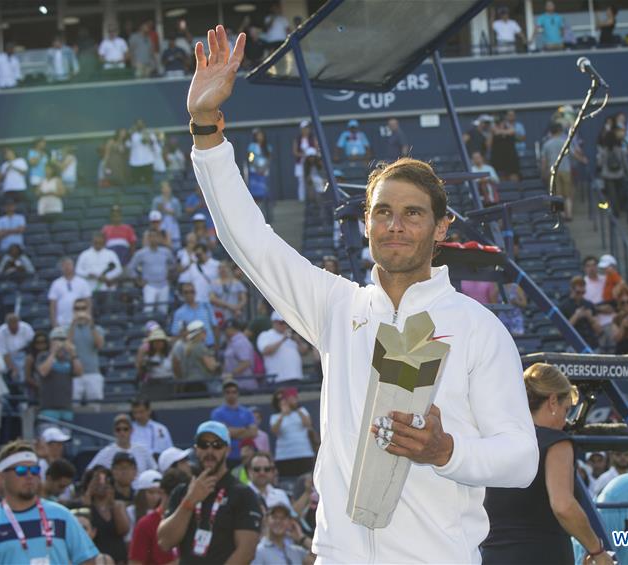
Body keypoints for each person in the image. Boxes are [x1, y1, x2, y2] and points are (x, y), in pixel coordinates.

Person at [183, 28, 538, 562]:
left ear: (441, 227)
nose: (395, 225)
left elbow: (521, 459)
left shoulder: (478, 328)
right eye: (382, 212)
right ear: (366, 223)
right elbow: (249, 240)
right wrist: (206, 129)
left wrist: (446, 450)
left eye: (413, 213)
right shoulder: (336, 306)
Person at [482, 364, 610, 565]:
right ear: (552, 401)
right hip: (543, 554)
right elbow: (563, 506)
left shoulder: (496, 438)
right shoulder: (556, 442)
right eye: (566, 410)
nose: (565, 421)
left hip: (492, 557)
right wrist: (597, 550)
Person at [0, 440, 99, 563]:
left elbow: (87, 559)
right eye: (21, 470)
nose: (29, 476)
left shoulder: (62, 516)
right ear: (2, 476)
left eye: (34, 470)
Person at [156, 420, 263, 562]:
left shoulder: (243, 494)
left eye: (217, 445)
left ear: (228, 450)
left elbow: (246, 551)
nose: (210, 451)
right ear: (196, 449)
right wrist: (189, 502)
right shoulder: (182, 491)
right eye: (203, 445)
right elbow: (165, 542)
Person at [129, 470, 186, 565]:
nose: (181, 503)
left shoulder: (193, 521)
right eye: (177, 498)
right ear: (162, 493)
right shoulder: (146, 524)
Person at [78, 466, 129, 563]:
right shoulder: (82, 506)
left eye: (106, 482)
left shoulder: (118, 505)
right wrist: (88, 495)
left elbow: (123, 530)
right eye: (97, 482)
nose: (102, 485)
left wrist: (111, 502)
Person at [34, 325, 83, 422]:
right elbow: (43, 372)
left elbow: (79, 373)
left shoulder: (69, 358)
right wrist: (53, 353)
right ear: (51, 341)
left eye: (63, 339)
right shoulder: (43, 356)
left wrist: (74, 354)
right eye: (56, 339)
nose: (60, 342)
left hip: (66, 408)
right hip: (48, 408)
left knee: (67, 431)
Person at [270, 387, 315, 478]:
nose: (283, 402)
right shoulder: (275, 417)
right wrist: (283, 415)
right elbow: (275, 431)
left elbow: (308, 424)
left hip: (304, 453)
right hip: (284, 456)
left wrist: (296, 408)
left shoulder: (302, 411)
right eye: (280, 401)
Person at [87, 414, 157, 472]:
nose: (122, 432)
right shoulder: (106, 452)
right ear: (114, 432)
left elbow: (155, 470)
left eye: (125, 429)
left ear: (131, 430)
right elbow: (89, 470)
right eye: (118, 430)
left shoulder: (142, 450)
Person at [127, 229, 176, 314]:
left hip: (164, 285)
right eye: (151, 236)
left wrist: (170, 275)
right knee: (148, 310)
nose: (154, 239)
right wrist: (138, 280)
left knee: (163, 311)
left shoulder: (166, 252)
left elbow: (173, 264)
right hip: (149, 285)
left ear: (159, 238)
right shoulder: (141, 253)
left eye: (156, 236)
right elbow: (130, 268)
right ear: (148, 239)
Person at [252, 495, 310, 565]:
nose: (278, 521)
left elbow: (319, 557)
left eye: (283, 518)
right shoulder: (259, 551)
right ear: (266, 520)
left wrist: (301, 538)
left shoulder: (297, 552)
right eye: (274, 517)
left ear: (290, 522)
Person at [210, 380, 257, 467]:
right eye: (228, 392)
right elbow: (223, 433)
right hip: (226, 457)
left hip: (246, 457)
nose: (231, 395)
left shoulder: (247, 412)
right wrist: (244, 429)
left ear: (238, 393)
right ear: (224, 394)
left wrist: (232, 431)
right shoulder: (217, 413)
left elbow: (253, 433)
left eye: (234, 392)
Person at [67, 299, 105, 403]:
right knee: (73, 405)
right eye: (77, 308)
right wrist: (73, 323)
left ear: (88, 310)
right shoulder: (67, 329)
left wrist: (91, 324)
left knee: (95, 406)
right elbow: (67, 346)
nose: (80, 311)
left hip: (92, 373)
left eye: (83, 308)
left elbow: (100, 345)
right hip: (73, 375)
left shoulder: (97, 329)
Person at [257, 311, 309, 383]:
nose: (284, 325)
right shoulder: (266, 335)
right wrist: (283, 339)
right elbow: (266, 351)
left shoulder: (292, 336)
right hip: (278, 379)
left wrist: (298, 341)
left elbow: (305, 352)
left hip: (296, 377)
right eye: (281, 323)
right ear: (274, 322)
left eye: (286, 322)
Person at [559, 276, 601, 351]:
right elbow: (562, 332)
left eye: (583, 292)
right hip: (574, 346)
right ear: (572, 289)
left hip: (592, 345)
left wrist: (590, 317)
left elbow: (599, 330)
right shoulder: (564, 306)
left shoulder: (589, 304)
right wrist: (576, 316)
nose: (580, 295)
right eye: (578, 292)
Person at [48, 257, 92, 327]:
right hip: (61, 322)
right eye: (64, 265)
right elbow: (52, 305)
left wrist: (88, 319)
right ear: (61, 268)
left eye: (69, 264)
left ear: (73, 266)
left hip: (80, 321)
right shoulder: (56, 283)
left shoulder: (83, 282)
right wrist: (54, 323)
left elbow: (88, 302)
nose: (67, 267)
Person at [542, 123, 574, 220]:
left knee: (558, 195)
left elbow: (544, 161)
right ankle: (569, 214)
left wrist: (543, 172)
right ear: (560, 131)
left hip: (553, 172)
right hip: (566, 170)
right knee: (567, 194)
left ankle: (562, 215)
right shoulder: (565, 142)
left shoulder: (546, 144)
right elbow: (574, 154)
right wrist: (583, 160)